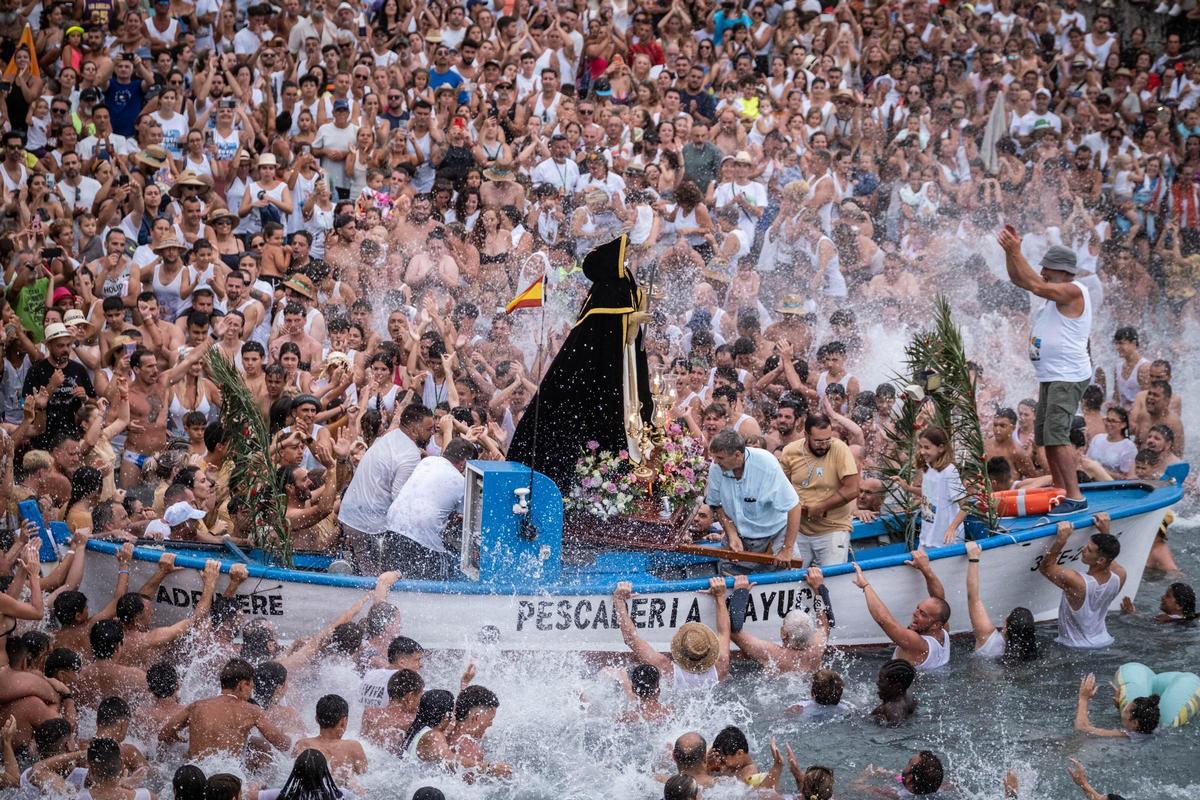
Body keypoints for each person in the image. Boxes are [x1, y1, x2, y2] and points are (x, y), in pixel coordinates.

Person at [997, 230, 1093, 514]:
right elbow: (1020, 280)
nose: (1041, 273)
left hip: (1067, 374)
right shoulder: (1052, 292)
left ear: (1062, 272)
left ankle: (1075, 497)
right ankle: (1063, 491)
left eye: (1046, 270)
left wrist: (1017, 252)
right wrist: (1009, 253)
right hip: (1052, 375)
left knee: (1057, 435)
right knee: (1046, 438)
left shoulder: (1074, 290)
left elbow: (1035, 285)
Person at [704, 429, 801, 573]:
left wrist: (787, 549)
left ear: (738, 455)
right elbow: (717, 504)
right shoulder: (716, 467)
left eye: (720, 458)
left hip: (774, 537)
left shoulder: (766, 463)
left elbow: (794, 506)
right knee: (730, 587)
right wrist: (732, 534)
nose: (716, 462)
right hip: (738, 538)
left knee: (787, 582)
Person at [159, 657, 292, 760]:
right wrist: (292, 739)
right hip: (226, 779)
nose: (251, 692)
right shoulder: (251, 711)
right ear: (242, 685)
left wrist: (184, 742)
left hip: (196, 774)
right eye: (251, 686)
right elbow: (281, 743)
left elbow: (163, 735)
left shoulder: (196, 706)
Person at [381, 436, 476, 578]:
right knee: (448, 576)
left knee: (395, 581)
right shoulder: (461, 482)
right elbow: (469, 520)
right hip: (421, 543)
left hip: (391, 531)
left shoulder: (426, 461)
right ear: (464, 463)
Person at [613, 577, 731, 690]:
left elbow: (631, 639)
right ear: (711, 650)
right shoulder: (721, 668)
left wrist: (619, 600)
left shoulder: (666, 669)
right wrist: (720, 596)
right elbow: (724, 631)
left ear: (678, 649)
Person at [778, 413, 858, 565]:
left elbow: (853, 489)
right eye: (818, 441)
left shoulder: (839, 449)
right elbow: (781, 487)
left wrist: (821, 506)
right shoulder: (790, 451)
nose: (824, 445)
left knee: (832, 580)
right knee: (792, 577)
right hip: (799, 530)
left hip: (833, 529)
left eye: (828, 440)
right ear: (806, 435)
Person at [852, 550, 951, 670]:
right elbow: (939, 599)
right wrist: (925, 569)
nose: (915, 613)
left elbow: (884, 620)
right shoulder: (943, 629)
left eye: (923, 614)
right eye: (917, 609)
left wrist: (865, 586)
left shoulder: (917, 643)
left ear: (936, 625)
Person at [1038, 512, 1126, 648]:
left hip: (1075, 648)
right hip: (1105, 640)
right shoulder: (1120, 576)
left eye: (1089, 550)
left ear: (1100, 560)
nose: (1083, 549)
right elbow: (1110, 559)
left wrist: (1061, 540)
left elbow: (1045, 567)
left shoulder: (1077, 582)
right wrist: (1105, 533)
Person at [728, 570, 830, 673]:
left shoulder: (773, 654)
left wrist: (740, 594)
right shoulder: (817, 648)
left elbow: (733, 631)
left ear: (783, 633)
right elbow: (824, 623)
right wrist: (818, 588)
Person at [963, 541, 1039, 662]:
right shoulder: (1029, 654)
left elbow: (973, 598)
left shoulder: (988, 638)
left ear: (1005, 627)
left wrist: (973, 558)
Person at [290, 694, 366, 779]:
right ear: (344, 721)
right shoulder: (353, 747)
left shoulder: (302, 744)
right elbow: (364, 777)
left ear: (316, 719)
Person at [1074, 673, 1159, 738]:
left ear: (1135, 723)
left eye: (1125, 711)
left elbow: (1083, 729)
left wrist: (1083, 698)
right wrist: (1119, 706)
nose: (1123, 710)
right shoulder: (1154, 731)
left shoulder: (1125, 736)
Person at [871, 659, 918, 726]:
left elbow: (893, 733)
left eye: (881, 681)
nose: (877, 683)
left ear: (897, 686)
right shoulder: (911, 697)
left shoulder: (891, 710)